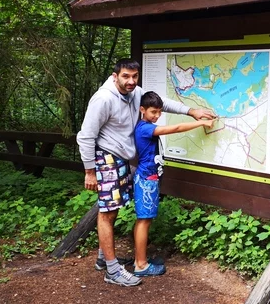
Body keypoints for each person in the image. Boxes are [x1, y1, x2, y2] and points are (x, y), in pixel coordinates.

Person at [77, 58, 215, 286]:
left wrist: (191, 111)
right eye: (125, 76)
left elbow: (162, 103)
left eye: (134, 76)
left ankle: (104, 258)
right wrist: (89, 171)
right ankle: (112, 271)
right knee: (108, 212)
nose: (131, 81)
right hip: (106, 157)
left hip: (123, 158)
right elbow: (85, 136)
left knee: (114, 209)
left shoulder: (135, 93)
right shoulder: (103, 99)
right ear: (115, 76)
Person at [132, 91, 214, 276]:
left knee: (145, 220)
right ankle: (141, 265)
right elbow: (175, 129)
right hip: (147, 180)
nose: (157, 116)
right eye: (153, 112)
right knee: (144, 221)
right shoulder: (144, 128)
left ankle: (140, 258)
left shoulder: (145, 125)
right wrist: (200, 122)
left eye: (160, 111)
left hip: (148, 179)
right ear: (142, 110)